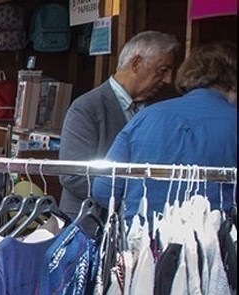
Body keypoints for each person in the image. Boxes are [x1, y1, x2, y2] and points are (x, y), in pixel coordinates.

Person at [92, 42, 236, 217]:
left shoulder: (145, 117)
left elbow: (104, 191)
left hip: (144, 231)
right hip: (218, 230)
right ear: (233, 82)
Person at [59, 30, 180, 217]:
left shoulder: (159, 108)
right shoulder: (86, 108)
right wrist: (130, 197)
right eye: (162, 70)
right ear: (136, 63)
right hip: (88, 221)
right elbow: (73, 176)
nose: (168, 80)